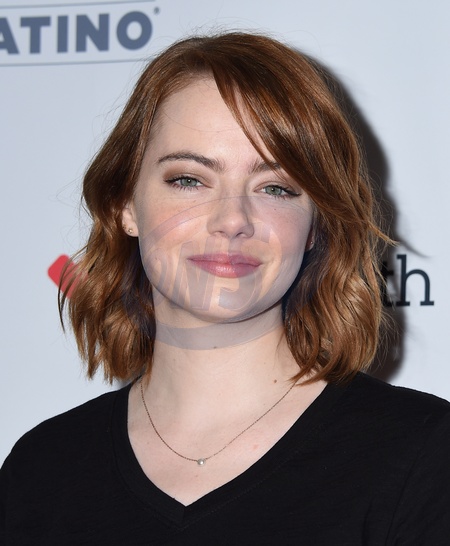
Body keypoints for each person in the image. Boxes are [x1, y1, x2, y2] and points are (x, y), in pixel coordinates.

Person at [1, 32, 449, 545]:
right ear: (125, 204)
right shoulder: (40, 472)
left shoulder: (423, 456)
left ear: (316, 226)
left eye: (275, 188)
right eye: (189, 180)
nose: (233, 220)